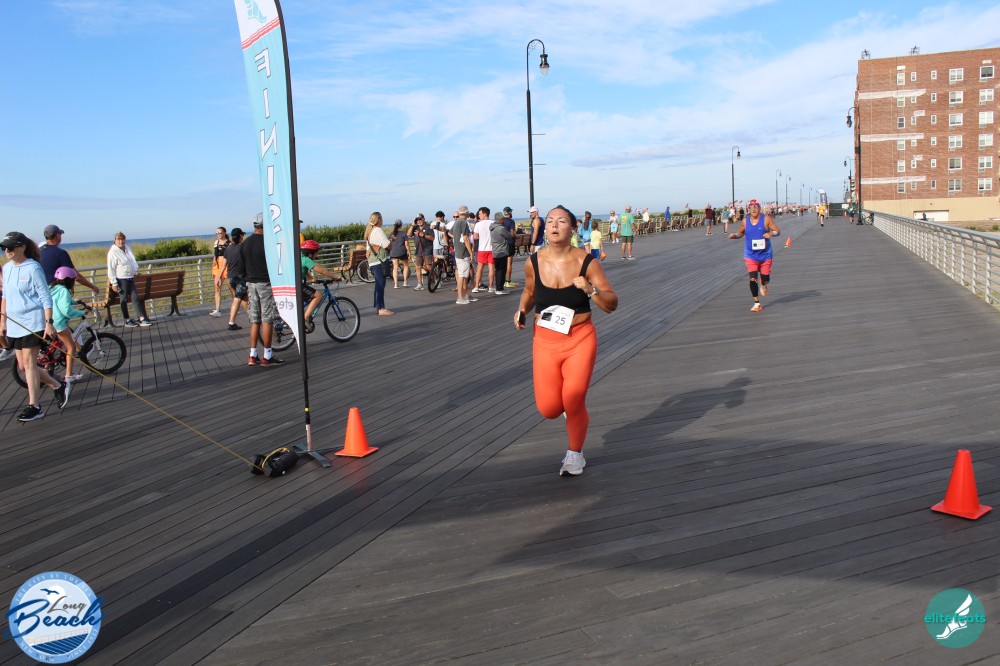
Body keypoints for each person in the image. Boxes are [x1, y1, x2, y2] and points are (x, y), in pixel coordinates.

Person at [513, 206, 618, 476]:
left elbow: (611, 303)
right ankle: (567, 408)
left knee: (573, 400)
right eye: (550, 221)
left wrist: (590, 290)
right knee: (549, 408)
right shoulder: (533, 262)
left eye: (561, 221)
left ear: (572, 228)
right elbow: (529, 291)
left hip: (579, 339)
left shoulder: (587, 262)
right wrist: (522, 309)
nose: (554, 225)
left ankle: (574, 454)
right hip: (544, 341)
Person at [1, 231, 69, 420]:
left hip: (33, 322)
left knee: (30, 364)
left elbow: (45, 297)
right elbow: (5, 296)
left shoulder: (33, 268)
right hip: (15, 325)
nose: (7, 250)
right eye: (4, 247)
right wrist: (2, 322)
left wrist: (49, 322)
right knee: (23, 366)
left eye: (10, 247)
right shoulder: (7, 268)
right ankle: (57, 385)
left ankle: (35, 406)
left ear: (22, 247)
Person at [240, 216, 286, 364]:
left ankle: (252, 355)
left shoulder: (245, 243)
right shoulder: (269, 242)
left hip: (250, 284)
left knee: (255, 320)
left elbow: (241, 268)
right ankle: (267, 355)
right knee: (268, 320)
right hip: (265, 283)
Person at [729, 199, 781, 312]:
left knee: (765, 279)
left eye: (756, 207)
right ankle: (757, 303)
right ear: (748, 209)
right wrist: (735, 236)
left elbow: (778, 231)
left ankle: (764, 283)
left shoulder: (766, 219)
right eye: (751, 207)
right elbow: (740, 233)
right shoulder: (745, 221)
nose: (754, 209)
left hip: (765, 255)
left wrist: (771, 233)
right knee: (752, 278)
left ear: (759, 209)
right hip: (751, 256)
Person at [38, 224, 101, 295]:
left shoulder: (38, 252)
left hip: (41, 293)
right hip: (55, 293)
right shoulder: (60, 253)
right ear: (57, 236)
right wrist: (93, 287)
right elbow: (76, 276)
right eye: (60, 234)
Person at [49, 266, 87, 382]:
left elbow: (59, 301)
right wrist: (81, 312)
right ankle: (69, 375)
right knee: (71, 347)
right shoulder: (64, 291)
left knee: (54, 346)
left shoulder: (54, 288)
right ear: (68, 280)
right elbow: (66, 310)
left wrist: (74, 301)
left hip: (51, 321)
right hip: (59, 323)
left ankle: (47, 369)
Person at [107, 232, 152, 327]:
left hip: (130, 278)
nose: (121, 241)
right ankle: (127, 320)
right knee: (123, 300)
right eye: (119, 239)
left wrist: (135, 272)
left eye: (122, 239)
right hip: (121, 279)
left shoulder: (127, 249)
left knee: (135, 298)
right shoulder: (112, 252)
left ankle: (142, 318)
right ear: (115, 240)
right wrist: (114, 283)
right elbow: (111, 269)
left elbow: (131, 262)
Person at [300, 239, 341, 321]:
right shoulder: (306, 260)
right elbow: (321, 271)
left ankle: (303, 317)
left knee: (307, 300)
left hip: (291, 285)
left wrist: (311, 278)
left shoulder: (301, 258)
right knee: (319, 295)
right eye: (316, 253)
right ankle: (305, 318)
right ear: (310, 253)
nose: (317, 255)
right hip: (297, 285)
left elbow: (303, 270)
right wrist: (335, 276)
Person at [364, 211, 393, 315]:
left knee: (378, 285)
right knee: (381, 284)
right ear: (379, 220)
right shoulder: (378, 230)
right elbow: (387, 245)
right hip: (379, 260)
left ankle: (379, 307)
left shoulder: (370, 231)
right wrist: (391, 243)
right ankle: (381, 309)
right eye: (381, 218)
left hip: (373, 261)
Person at [222, 227, 247, 331]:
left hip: (231, 277)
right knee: (238, 299)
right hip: (241, 277)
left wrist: (219, 277)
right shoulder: (243, 247)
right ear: (240, 236)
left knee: (243, 298)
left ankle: (253, 319)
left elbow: (224, 263)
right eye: (242, 235)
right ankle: (232, 323)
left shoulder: (228, 248)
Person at [452, 206, 477, 305]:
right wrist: (471, 253)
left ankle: (466, 295)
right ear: (467, 213)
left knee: (464, 275)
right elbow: (466, 238)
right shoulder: (463, 223)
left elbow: (450, 233)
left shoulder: (456, 222)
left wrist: (457, 241)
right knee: (462, 276)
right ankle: (460, 297)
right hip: (463, 253)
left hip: (458, 252)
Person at [472, 206, 495, 293]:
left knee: (479, 268)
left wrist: (481, 237)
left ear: (485, 214)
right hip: (491, 249)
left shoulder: (478, 224)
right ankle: (491, 286)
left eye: (480, 214)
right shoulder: (493, 223)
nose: (479, 215)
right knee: (491, 268)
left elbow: (475, 237)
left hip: (482, 249)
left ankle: (476, 287)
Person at [209, 227, 230, 317]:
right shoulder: (216, 242)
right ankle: (217, 310)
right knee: (217, 288)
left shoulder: (229, 243)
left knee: (231, 288)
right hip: (217, 266)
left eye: (220, 232)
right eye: (217, 233)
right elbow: (215, 256)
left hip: (227, 266)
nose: (218, 234)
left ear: (224, 233)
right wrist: (213, 267)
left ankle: (235, 307)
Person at [490, 212, 513, 295]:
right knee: (502, 270)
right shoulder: (501, 228)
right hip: (502, 251)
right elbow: (509, 236)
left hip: (495, 250)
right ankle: (499, 288)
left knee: (498, 270)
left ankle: (498, 287)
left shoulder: (492, 227)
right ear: (501, 219)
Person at [411, 214, 434, 290]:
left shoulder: (428, 227)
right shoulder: (415, 228)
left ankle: (435, 278)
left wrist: (423, 235)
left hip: (427, 248)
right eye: (417, 220)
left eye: (420, 219)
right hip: (418, 249)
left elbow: (432, 238)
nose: (419, 221)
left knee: (428, 267)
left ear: (424, 219)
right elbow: (408, 234)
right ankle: (419, 284)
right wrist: (412, 225)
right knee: (418, 267)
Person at [388, 219, 410, 288]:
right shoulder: (404, 233)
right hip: (402, 252)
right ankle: (405, 282)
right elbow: (407, 244)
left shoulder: (391, 234)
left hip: (393, 252)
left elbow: (389, 243)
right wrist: (409, 253)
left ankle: (396, 284)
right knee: (406, 266)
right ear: (401, 225)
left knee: (395, 268)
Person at [501, 207, 517, 288]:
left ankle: (501, 281)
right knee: (509, 263)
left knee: (502, 263)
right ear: (509, 212)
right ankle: (508, 281)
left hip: (501, 244)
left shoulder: (501, 221)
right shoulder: (511, 221)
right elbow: (512, 233)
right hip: (509, 244)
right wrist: (515, 236)